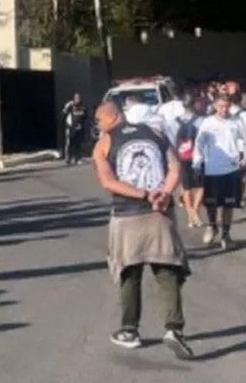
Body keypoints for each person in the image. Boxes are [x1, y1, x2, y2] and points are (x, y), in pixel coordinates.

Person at [91, 101, 193, 359]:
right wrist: (164, 193)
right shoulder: (154, 133)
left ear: (109, 119)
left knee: (129, 271)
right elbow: (175, 167)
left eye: (98, 122)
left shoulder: (104, 142)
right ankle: (174, 329)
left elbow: (108, 181)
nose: (98, 126)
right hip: (159, 213)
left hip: (127, 215)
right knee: (167, 270)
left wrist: (144, 194)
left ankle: (129, 330)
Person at [193, 94, 246, 250]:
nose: (224, 109)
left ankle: (226, 235)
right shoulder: (207, 123)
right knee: (212, 204)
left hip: (231, 169)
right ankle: (212, 226)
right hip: (212, 169)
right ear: (214, 106)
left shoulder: (236, 121)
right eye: (220, 106)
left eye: (226, 106)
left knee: (228, 204)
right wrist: (197, 162)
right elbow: (199, 144)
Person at [173, 95, 204, 228]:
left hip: (181, 157)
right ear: (194, 104)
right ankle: (195, 212)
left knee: (186, 188)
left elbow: (171, 140)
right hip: (198, 156)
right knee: (202, 186)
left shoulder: (174, 121)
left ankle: (190, 214)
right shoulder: (201, 121)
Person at [61, 93, 88, 165]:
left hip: (79, 128)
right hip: (70, 128)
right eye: (76, 98)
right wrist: (66, 107)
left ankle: (77, 158)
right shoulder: (70, 106)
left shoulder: (83, 107)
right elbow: (63, 114)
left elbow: (85, 116)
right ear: (74, 99)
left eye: (79, 98)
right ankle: (68, 158)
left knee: (78, 144)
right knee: (70, 143)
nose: (78, 99)